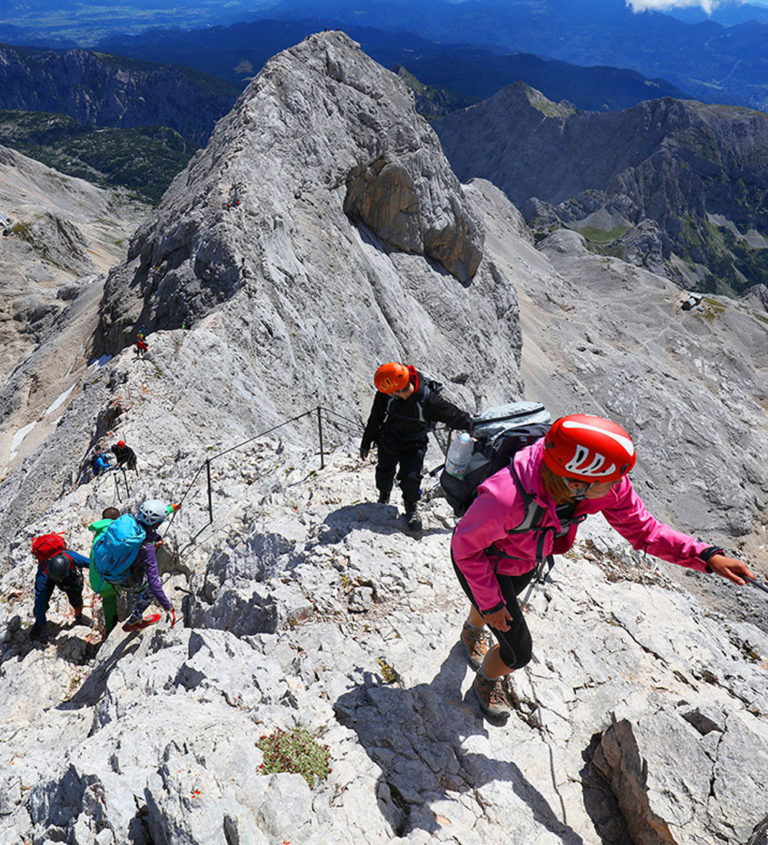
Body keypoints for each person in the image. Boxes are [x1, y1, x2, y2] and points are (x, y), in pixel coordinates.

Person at [451, 413, 755, 723]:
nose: (618, 487)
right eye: (609, 482)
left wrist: (705, 556)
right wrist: (492, 604)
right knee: (518, 652)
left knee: (499, 602)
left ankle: (473, 627)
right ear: (574, 483)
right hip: (485, 560)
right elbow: (465, 548)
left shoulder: (600, 484)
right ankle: (487, 677)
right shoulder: (505, 498)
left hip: (524, 556)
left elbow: (644, 531)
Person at [360, 362, 472, 534]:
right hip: (388, 439)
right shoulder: (386, 395)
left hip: (414, 444)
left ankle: (411, 508)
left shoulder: (429, 401)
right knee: (384, 471)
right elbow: (376, 418)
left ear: (395, 390)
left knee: (411, 478)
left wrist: (474, 427)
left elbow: (454, 416)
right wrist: (366, 443)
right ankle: (384, 496)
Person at [123, 499, 177, 632]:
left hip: (119, 573)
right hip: (130, 577)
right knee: (157, 581)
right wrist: (168, 607)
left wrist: (171, 508)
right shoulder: (147, 548)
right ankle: (135, 617)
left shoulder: (130, 524)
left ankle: (137, 616)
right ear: (157, 523)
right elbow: (154, 583)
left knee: (139, 584)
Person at [30, 547, 92, 643]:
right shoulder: (43, 575)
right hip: (52, 576)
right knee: (42, 603)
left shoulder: (72, 557)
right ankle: (39, 624)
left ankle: (79, 617)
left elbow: (91, 564)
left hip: (69, 575)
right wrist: (43, 628)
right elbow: (39, 601)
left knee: (76, 598)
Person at [88, 506, 121, 635]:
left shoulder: (100, 533)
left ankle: (110, 627)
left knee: (108, 600)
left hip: (96, 579)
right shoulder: (114, 532)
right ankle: (114, 628)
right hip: (107, 580)